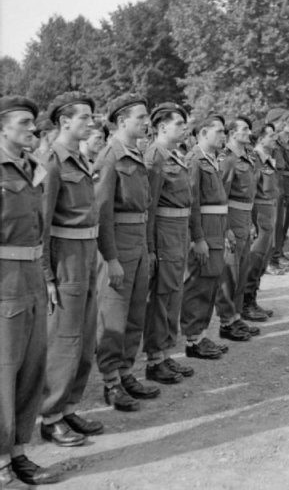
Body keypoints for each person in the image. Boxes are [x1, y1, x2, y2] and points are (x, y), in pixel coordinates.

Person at [0, 96, 62, 486]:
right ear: (2, 128)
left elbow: (40, 230)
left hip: (32, 277)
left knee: (31, 367)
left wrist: (46, 276)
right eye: (24, 123)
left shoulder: (33, 168)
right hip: (4, 279)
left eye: (33, 123)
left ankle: (19, 448)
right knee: (3, 370)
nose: (32, 129)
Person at [40, 92, 104, 447]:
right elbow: (42, 224)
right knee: (64, 339)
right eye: (85, 118)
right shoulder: (50, 161)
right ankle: (50, 416)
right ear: (65, 122)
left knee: (83, 337)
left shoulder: (77, 158)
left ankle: (67, 408)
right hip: (65, 257)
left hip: (86, 251)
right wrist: (47, 276)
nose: (91, 123)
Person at [94, 94, 160, 412]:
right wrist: (110, 258)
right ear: (122, 122)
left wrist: (147, 248)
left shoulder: (136, 153)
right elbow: (102, 212)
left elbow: (144, 208)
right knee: (115, 316)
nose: (147, 122)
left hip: (137, 242)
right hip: (118, 244)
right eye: (141, 117)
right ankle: (110, 382)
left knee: (136, 314)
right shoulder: (110, 157)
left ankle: (126, 372)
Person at [181, 113, 248, 355]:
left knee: (210, 285)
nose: (223, 135)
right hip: (204, 231)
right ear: (202, 133)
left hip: (217, 229)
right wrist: (198, 239)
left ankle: (202, 336)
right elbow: (193, 203)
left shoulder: (212, 160)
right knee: (198, 286)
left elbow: (220, 201)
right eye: (218, 131)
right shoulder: (194, 161)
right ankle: (193, 340)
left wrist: (227, 228)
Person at [143, 103, 195, 384]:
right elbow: (149, 208)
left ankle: (165, 354)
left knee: (173, 294)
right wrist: (150, 248)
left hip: (178, 232)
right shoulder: (154, 157)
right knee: (160, 297)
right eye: (179, 124)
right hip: (163, 233)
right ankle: (154, 359)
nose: (184, 128)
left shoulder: (175, 155)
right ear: (162, 127)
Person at [218, 116, 260, 338]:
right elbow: (221, 195)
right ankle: (226, 321)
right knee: (230, 272)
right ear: (232, 134)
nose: (248, 132)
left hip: (245, 217)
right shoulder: (228, 160)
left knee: (242, 271)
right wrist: (225, 228)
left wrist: (252, 221)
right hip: (232, 217)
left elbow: (251, 194)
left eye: (249, 128)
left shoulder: (248, 158)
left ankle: (236, 317)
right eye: (244, 129)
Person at [243, 122, 279, 321]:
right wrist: (250, 221)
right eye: (270, 135)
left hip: (269, 210)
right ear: (260, 138)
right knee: (255, 259)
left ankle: (252, 300)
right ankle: (245, 304)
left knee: (263, 259)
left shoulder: (266, 159)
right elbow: (249, 191)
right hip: (259, 211)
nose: (274, 139)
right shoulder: (254, 159)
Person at [268, 109, 289, 271]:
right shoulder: (271, 141)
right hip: (274, 183)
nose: (286, 123)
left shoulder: (281, 141)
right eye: (283, 120)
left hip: (282, 181)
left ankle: (277, 253)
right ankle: (272, 258)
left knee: (281, 222)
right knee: (274, 223)